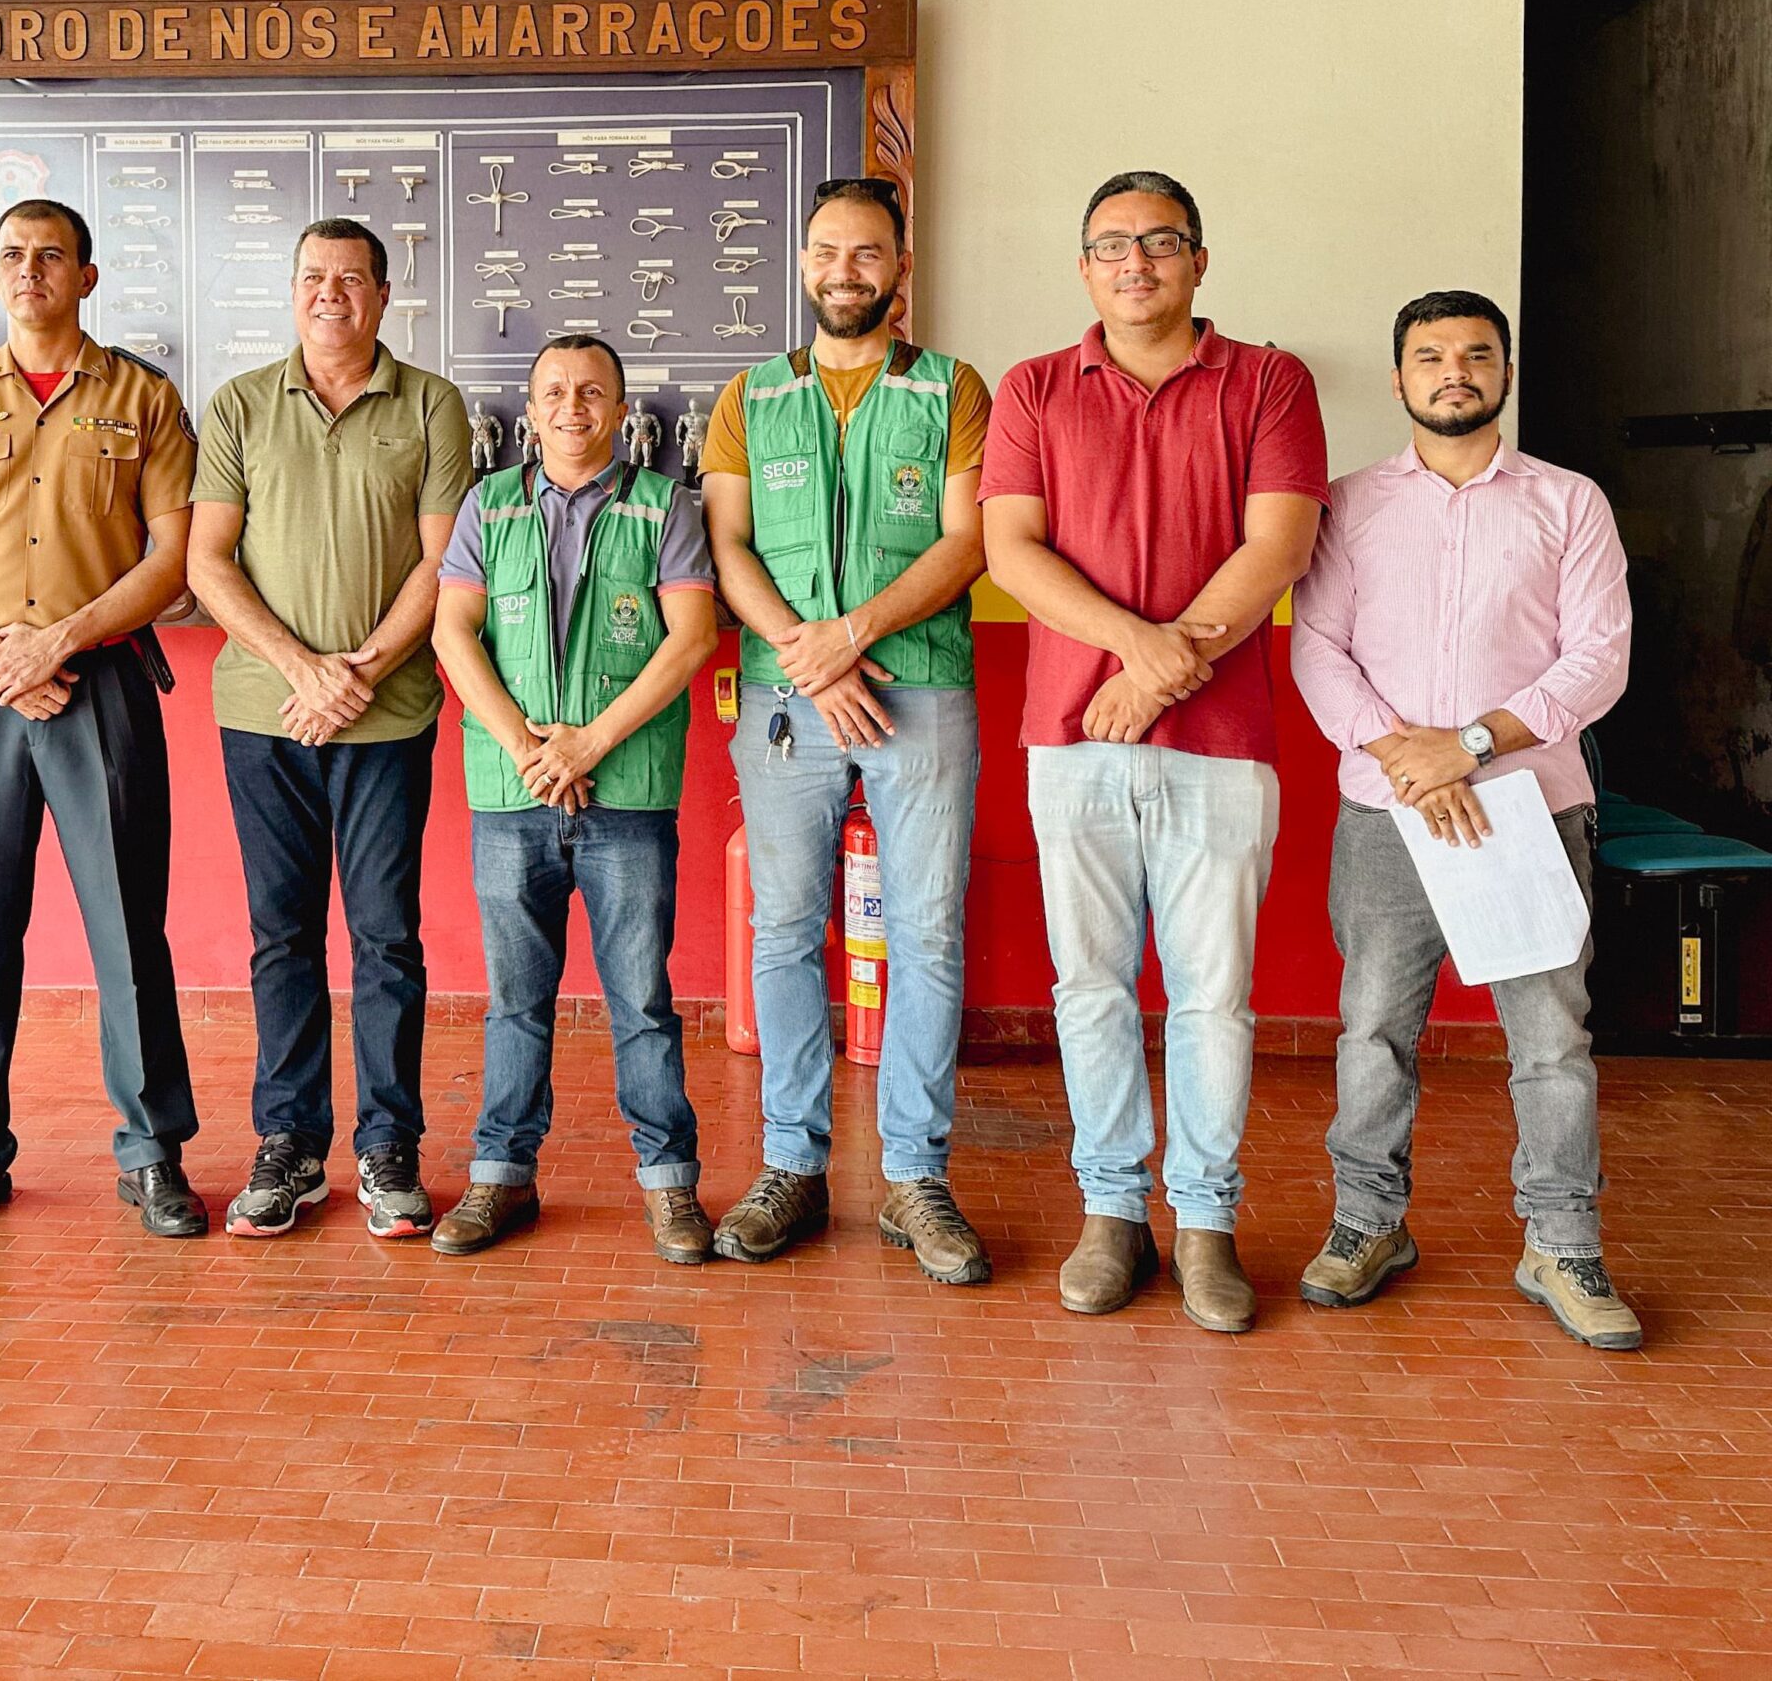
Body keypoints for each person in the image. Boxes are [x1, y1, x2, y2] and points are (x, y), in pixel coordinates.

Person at [981, 171, 1329, 1333]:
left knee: (1212, 997)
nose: (1136, 263)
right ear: (1083, 267)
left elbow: (1278, 543)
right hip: (1071, 739)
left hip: (1221, 746)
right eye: (1112, 246)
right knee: (1087, 987)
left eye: (1160, 242)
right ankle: (1111, 1214)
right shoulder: (1033, 389)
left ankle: (1206, 1224)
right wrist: (1140, 654)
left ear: (1198, 260)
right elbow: (1012, 551)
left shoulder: (1269, 381)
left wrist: (1161, 674)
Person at [1291, 291, 1639, 1349]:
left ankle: (1561, 1242)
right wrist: (1411, 758)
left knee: (1549, 1043)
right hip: (1387, 812)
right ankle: (1366, 1225)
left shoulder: (1568, 502)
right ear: (1398, 380)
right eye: (1430, 356)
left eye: (1476, 355)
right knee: (1373, 1033)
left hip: (1529, 810)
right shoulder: (1346, 504)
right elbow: (1318, 648)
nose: (1455, 372)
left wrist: (1470, 747)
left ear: (1505, 373)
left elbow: (1598, 658)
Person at [0, 198, 203, 1240]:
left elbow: (170, 558)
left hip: (96, 683)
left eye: (50, 257)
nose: (29, 273)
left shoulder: (143, 398)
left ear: (87, 278)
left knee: (124, 929)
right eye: (12, 256)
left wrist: (56, 644)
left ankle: (152, 1154)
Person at [699, 178, 992, 1274]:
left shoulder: (954, 390)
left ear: (900, 268)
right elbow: (728, 547)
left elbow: (966, 543)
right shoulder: (749, 396)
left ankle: (916, 1180)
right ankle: (791, 1167)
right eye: (827, 250)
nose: (845, 271)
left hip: (920, 686)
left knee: (924, 934)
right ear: (802, 260)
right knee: (783, 932)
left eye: (867, 254)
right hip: (785, 701)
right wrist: (806, 656)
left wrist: (851, 634)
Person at [187, 218, 473, 1239]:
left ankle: (388, 1146)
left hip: (386, 717)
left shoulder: (433, 406)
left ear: (385, 297)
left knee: (387, 938)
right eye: (313, 277)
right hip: (265, 716)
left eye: (351, 279)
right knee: (282, 935)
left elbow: (440, 566)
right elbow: (207, 562)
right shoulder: (240, 405)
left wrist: (354, 675)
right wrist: (302, 668)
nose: (331, 295)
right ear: (292, 291)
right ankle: (291, 1146)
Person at [429, 334, 720, 1261]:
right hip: (512, 795)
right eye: (553, 389)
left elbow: (692, 637)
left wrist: (588, 742)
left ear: (621, 408)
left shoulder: (665, 505)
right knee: (515, 1000)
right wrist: (527, 747)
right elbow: (453, 631)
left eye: (592, 391)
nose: (571, 406)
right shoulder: (489, 504)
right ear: (529, 403)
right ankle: (500, 1177)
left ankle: (671, 1187)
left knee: (641, 997)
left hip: (626, 793)